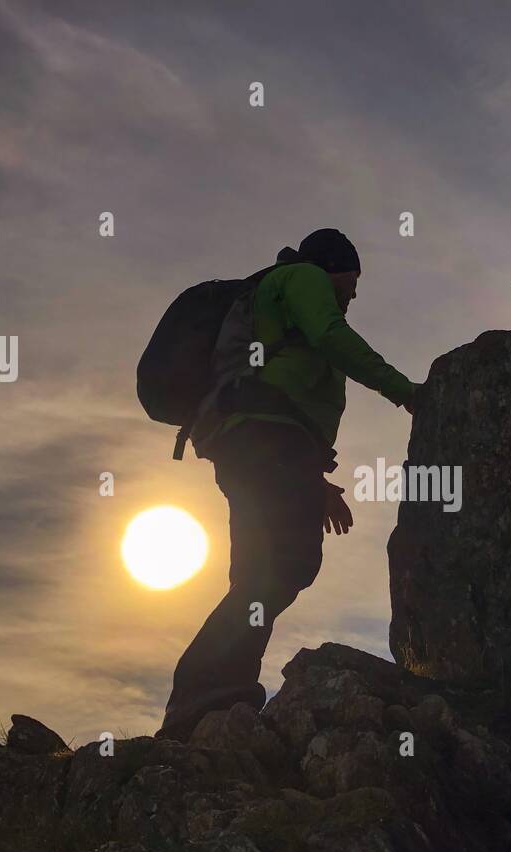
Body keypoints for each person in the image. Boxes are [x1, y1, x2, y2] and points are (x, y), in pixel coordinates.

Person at [157, 228, 417, 741]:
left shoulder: (278, 294)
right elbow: (327, 338)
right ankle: (205, 693)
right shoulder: (302, 277)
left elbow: (291, 386)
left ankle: (208, 701)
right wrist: (404, 391)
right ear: (332, 266)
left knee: (263, 568)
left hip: (253, 437)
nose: (354, 295)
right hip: (264, 435)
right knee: (285, 564)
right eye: (353, 279)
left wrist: (313, 480)